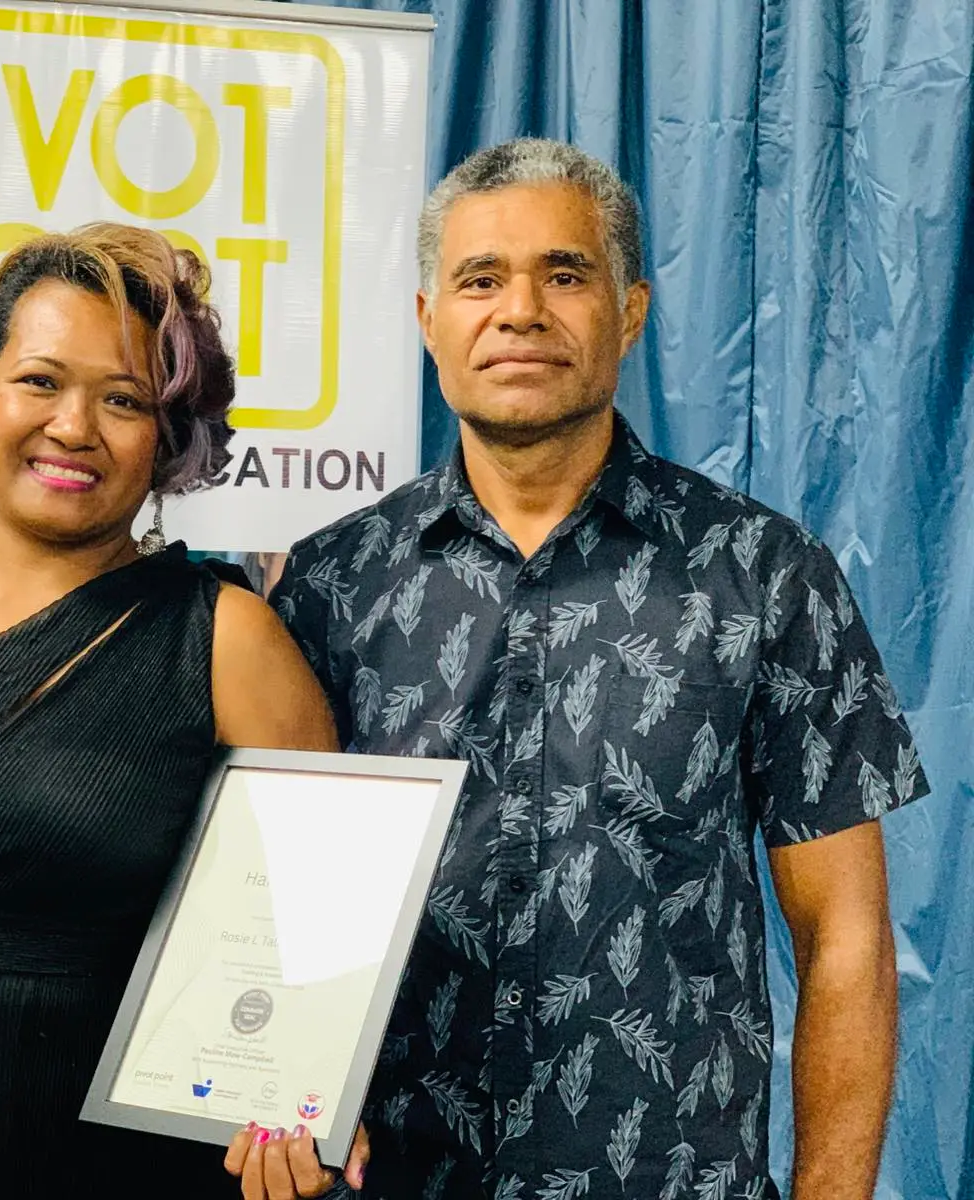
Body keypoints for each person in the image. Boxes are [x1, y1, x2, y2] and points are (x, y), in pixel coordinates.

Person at [265, 139, 929, 1199]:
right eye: (480, 279)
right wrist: (272, 1092)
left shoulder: (762, 574)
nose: (519, 309)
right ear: (427, 317)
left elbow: (842, 933)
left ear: (630, 311)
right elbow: (276, 902)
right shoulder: (329, 587)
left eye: (564, 274)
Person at [0, 224, 350, 1197]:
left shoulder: (230, 644)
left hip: (122, 1165)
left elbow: (320, 940)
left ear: (164, 437)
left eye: (122, 399)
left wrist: (303, 1097)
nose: (74, 427)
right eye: (40, 380)